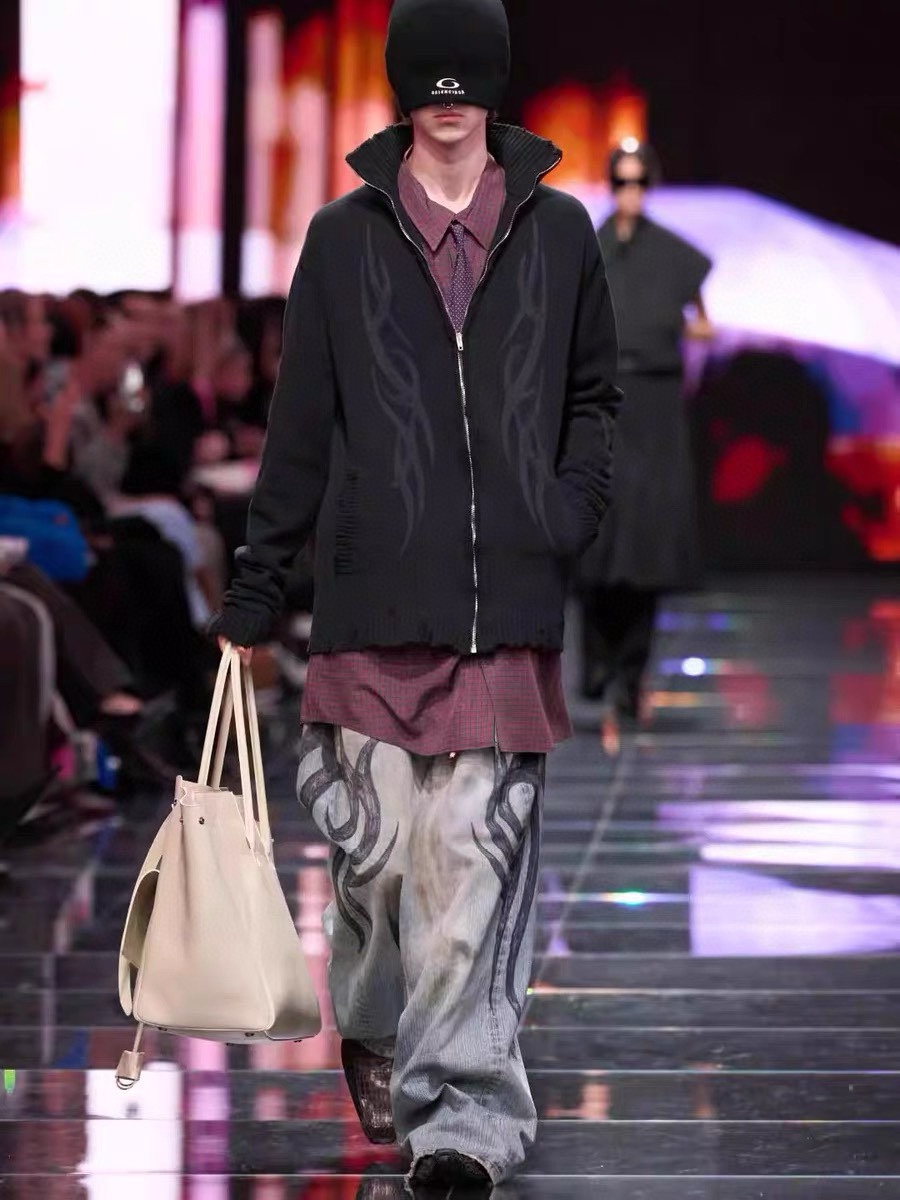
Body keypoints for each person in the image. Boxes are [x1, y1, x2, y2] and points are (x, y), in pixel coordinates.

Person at [211, 0, 621, 1189]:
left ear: (494, 86)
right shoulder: (342, 238)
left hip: (504, 615)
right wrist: (257, 584)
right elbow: (300, 422)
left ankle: (465, 1126)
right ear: (402, 91)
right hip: (371, 605)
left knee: (470, 873)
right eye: (429, 81)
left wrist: (566, 509)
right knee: (378, 861)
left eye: (467, 80)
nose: (448, 101)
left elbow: (594, 394)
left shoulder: (558, 231)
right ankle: (382, 1025)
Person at [578, 142, 713, 751]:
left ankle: (631, 676)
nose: (629, 192)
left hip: (655, 409)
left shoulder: (672, 255)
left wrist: (683, 329)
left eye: (638, 182)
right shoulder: (589, 248)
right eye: (621, 181)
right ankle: (599, 666)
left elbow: (703, 319)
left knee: (646, 547)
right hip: (602, 405)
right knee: (597, 542)